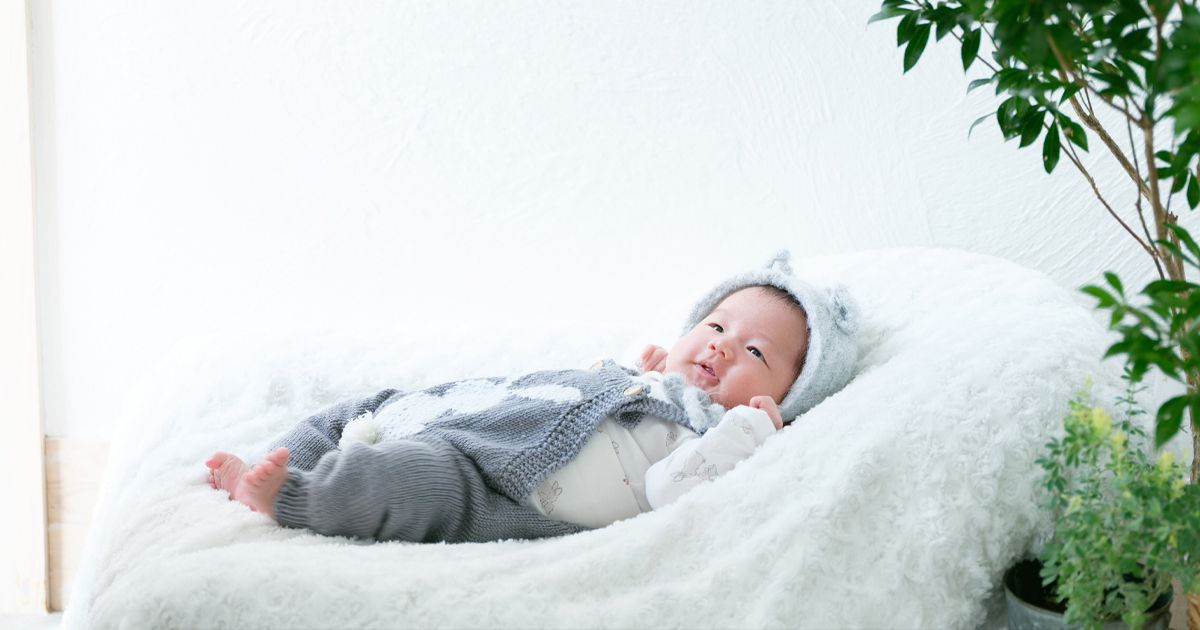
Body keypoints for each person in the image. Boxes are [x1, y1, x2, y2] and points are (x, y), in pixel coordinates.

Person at [205, 251, 859, 542]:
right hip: (489, 423)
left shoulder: (711, 437)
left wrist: (743, 434)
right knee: (377, 405)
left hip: (498, 488)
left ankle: (291, 496)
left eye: (754, 353)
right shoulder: (657, 381)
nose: (720, 347)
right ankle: (284, 455)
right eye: (715, 327)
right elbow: (577, 401)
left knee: (406, 480)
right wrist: (637, 376)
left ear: (785, 395)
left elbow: (668, 492)